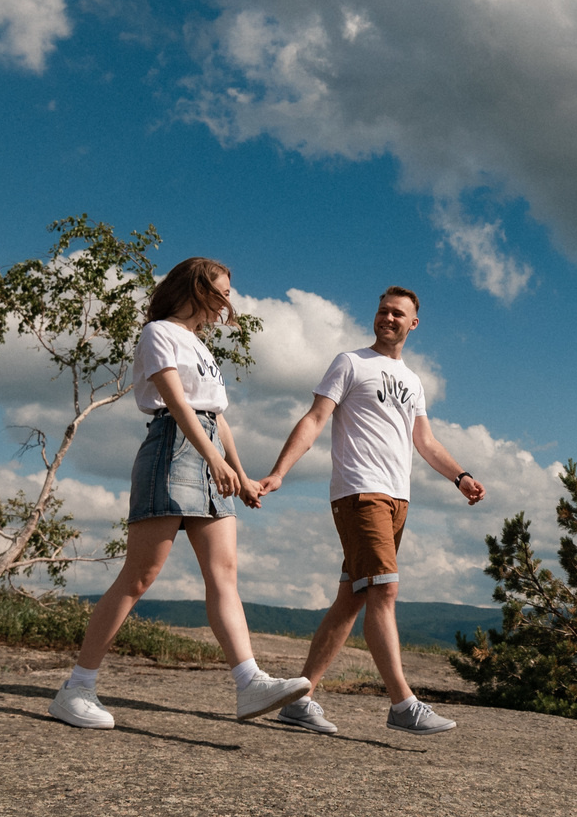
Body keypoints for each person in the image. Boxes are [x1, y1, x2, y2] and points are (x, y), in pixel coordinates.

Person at [48, 257, 314, 730]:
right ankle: (77, 687)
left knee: (224, 573)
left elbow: (217, 416)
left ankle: (249, 682)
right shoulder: (159, 333)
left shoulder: (201, 346)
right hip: (173, 447)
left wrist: (240, 471)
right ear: (196, 287)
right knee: (141, 575)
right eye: (223, 291)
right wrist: (211, 458)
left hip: (207, 449)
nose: (228, 302)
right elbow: (175, 401)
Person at [257, 285, 483, 735]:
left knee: (352, 598)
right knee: (385, 591)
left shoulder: (413, 382)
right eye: (383, 311)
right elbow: (315, 418)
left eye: (398, 314)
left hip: (398, 499)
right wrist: (279, 471)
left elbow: (426, 442)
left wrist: (460, 476)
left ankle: (299, 699)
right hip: (361, 493)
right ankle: (403, 704)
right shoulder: (351, 362)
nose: (388, 318)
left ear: (413, 324)